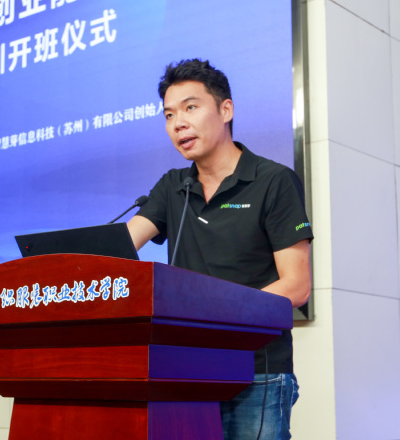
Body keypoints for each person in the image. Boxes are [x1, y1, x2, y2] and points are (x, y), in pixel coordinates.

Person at [126, 59, 313, 439]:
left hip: (256, 370)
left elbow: (296, 285)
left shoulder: (273, 181)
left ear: (226, 110)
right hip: (186, 369)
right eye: (169, 115)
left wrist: (217, 315)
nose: (178, 123)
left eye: (190, 108)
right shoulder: (173, 186)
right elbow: (119, 247)